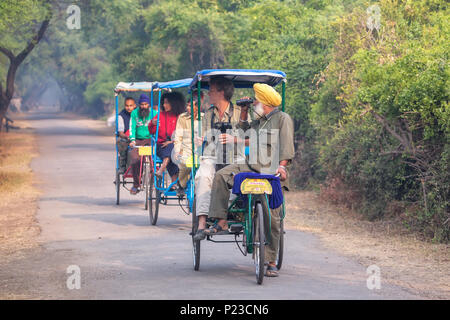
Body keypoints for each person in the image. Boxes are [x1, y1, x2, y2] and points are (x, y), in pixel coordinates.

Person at [200, 83, 295, 278]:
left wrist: (282, 166)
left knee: (272, 216)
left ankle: (270, 261)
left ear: (266, 103)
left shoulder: (282, 119)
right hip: (251, 166)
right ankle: (221, 219)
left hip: (271, 170)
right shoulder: (260, 120)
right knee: (220, 175)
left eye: (257, 100)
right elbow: (242, 131)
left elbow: (286, 146)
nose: (255, 103)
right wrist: (243, 112)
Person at [193, 76, 248, 240]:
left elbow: (251, 136)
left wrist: (234, 139)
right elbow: (204, 140)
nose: (208, 93)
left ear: (221, 92)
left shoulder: (240, 112)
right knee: (203, 174)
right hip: (213, 156)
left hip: (235, 157)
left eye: (211, 90)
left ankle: (228, 215)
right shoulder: (209, 114)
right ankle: (202, 224)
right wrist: (202, 140)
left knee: (236, 177)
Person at [148, 91, 185, 186]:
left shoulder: (181, 117)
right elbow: (151, 131)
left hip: (177, 145)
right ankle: (172, 179)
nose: (164, 105)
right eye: (163, 103)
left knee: (172, 148)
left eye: (167, 103)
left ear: (174, 103)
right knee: (170, 151)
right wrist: (152, 123)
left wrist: (172, 141)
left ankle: (164, 170)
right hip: (161, 146)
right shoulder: (160, 115)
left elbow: (184, 134)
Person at [173, 90, 204, 196]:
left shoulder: (204, 118)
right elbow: (178, 136)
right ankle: (181, 184)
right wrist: (177, 151)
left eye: (191, 106)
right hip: (186, 149)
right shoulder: (182, 118)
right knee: (185, 164)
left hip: (200, 149)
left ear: (197, 107)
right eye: (187, 106)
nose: (188, 108)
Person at [128, 93, 154, 195]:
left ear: (149, 105)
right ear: (139, 105)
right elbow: (132, 127)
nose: (143, 106)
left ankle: (154, 181)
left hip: (150, 139)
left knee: (154, 160)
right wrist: (132, 140)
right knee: (135, 159)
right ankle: (136, 184)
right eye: (142, 104)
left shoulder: (155, 113)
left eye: (145, 104)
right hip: (138, 140)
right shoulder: (134, 113)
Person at [116, 97, 136, 173]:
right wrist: (128, 137)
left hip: (139, 137)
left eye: (131, 106)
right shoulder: (121, 116)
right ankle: (123, 165)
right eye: (127, 106)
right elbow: (121, 133)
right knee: (122, 142)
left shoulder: (139, 113)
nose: (129, 108)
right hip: (126, 137)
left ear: (134, 105)